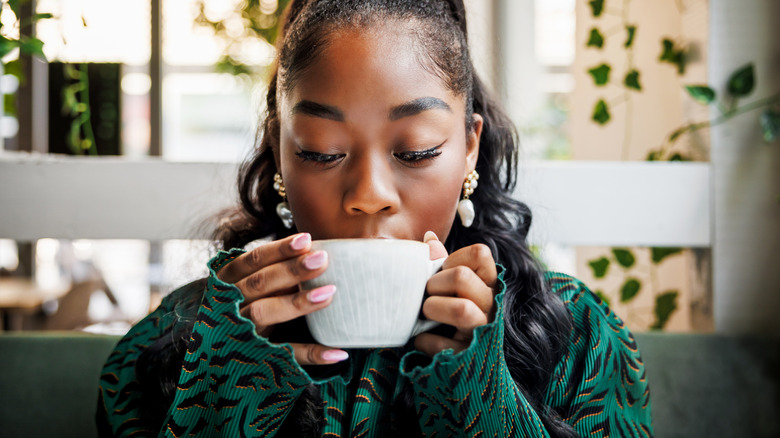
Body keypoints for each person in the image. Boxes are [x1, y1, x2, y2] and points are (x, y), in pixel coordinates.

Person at [97, 0, 652, 436]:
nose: (368, 195)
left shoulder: (575, 335)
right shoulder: (179, 341)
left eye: (414, 152)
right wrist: (225, 388)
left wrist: (478, 393)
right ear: (280, 153)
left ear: (469, 149)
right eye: (321, 150)